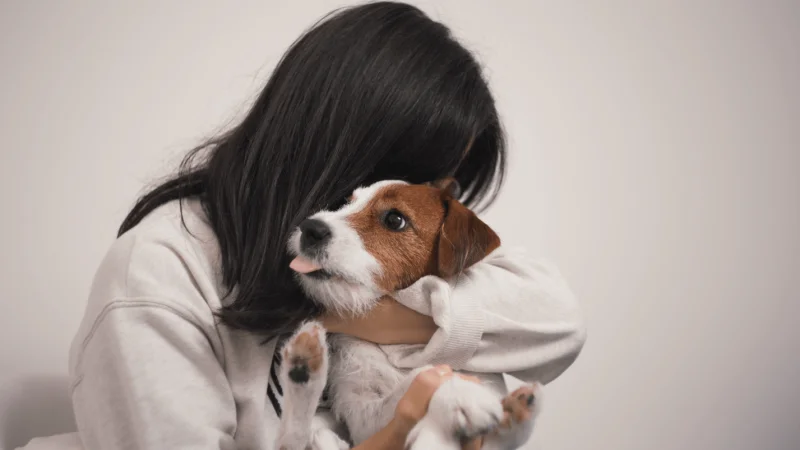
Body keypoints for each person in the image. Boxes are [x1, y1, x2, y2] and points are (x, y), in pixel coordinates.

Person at [21, 2, 585, 449]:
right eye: (423, 183)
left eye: (446, 193)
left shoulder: (369, 269)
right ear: (344, 144)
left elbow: (559, 321)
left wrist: (378, 320)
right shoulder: (162, 273)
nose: (432, 206)